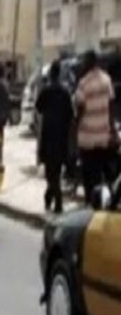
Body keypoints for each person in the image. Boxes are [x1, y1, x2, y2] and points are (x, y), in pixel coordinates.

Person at [75, 49, 116, 203]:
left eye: (84, 61)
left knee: (89, 177)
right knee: (102, 175)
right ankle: (104, 203)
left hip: (88, 139)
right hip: (103, 137)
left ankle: (91, 205)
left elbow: (80, 110)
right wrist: (111, 129)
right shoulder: (107, 80)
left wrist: (73, 132)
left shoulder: (83, 84)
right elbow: (111, 105)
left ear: (89, 62)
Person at [36, 61, 73, 213]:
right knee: (55, 172)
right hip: (61, 137)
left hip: (48, 136)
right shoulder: (65, 92)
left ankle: (56, 200)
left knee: (51, 173)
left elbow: (38, 108)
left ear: (51, 74)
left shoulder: (46, 91)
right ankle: (51, 197)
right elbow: (71, 115)